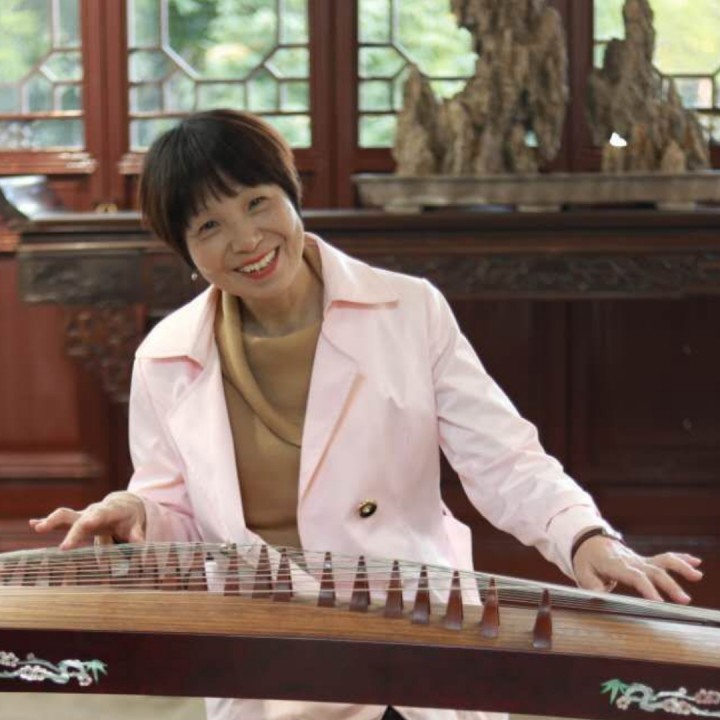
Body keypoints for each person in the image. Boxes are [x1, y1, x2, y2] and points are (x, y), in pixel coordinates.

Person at [30, 109, 703, 720]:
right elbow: (176, 513)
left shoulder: (408, 310)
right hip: (269, 655)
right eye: (210, 226)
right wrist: (136, 514)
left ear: (291, 195)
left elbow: (503, 458)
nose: (247, 238)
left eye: (257, 202)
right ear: (185, 250)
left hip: (415, 630)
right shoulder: (166, 357)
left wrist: (584, 539)